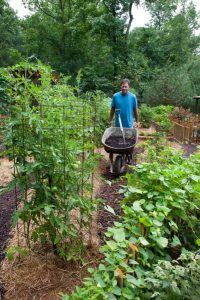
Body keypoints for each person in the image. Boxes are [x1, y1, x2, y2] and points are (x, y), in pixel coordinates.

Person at [109, 79, 139, 172]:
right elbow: (112, 109)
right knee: (118, 142)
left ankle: (129, 157)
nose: (124, 88)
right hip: (118, 125)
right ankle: (114, 161)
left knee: (128, 143)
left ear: (129, 87)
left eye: (126, 86)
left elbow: (135, 110)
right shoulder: (115, 96)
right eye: (123, 86)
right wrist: (110, 120)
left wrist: (137, 121)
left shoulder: (133, 97)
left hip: (129, 125)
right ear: (120, 87)